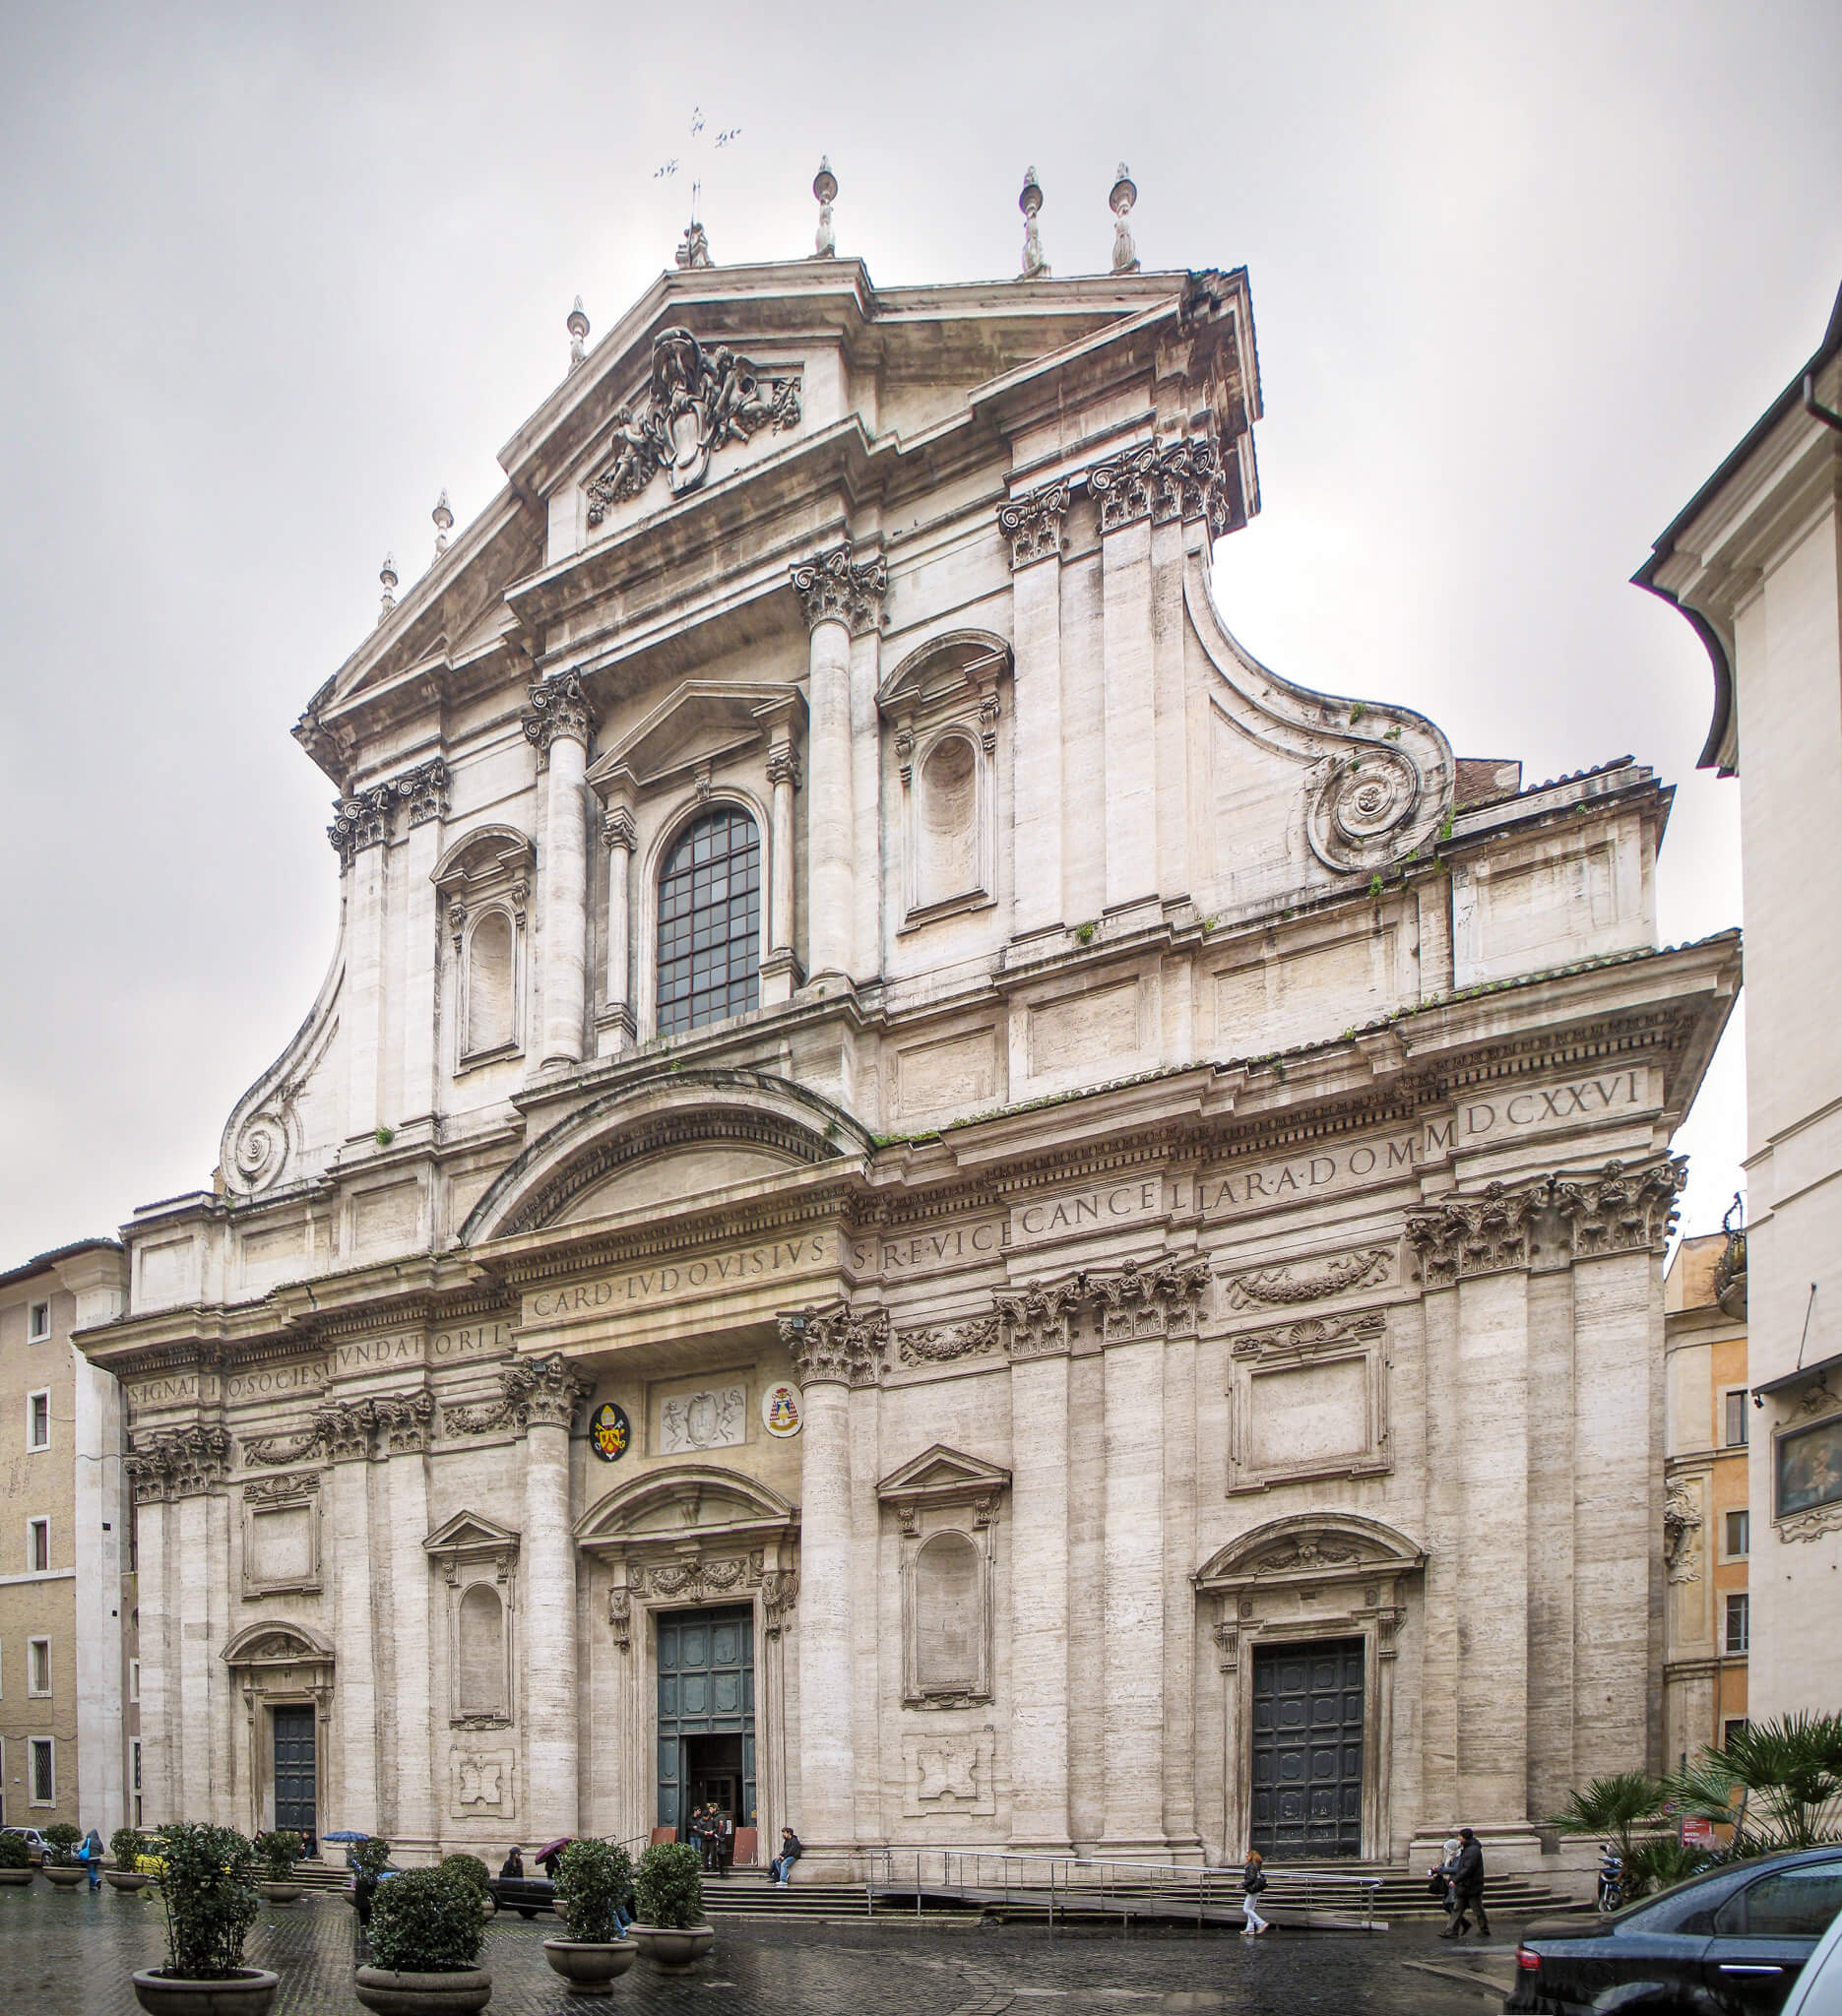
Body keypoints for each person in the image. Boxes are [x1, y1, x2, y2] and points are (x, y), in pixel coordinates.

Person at [1438, 1827, 1489, 1940]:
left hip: (1472, 1885)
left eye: (1459, 1836)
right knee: (1457, 1908)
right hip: (1464, 1885)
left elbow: (1467, 1868)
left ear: (1464, 1837)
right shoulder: (1467, 1848)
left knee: (1477, 1909)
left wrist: (1455, 1880)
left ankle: (1484, 1929)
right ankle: (1451, 1931)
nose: (1458, 1838)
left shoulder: (1473, 1850)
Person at [1239, 1848, 1270, 1936]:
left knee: (1246, 1909)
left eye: (1247, 1856)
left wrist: (1243, 1884)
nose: (1246, 1857)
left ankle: (1261, 1923)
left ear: (1251, 1856)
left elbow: (1251, 1878)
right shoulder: (1257, 1865)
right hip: (1257, 1888)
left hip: (1253, 1889)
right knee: (1251, 1909)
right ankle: (1250, 1928)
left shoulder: (1251, 1865)